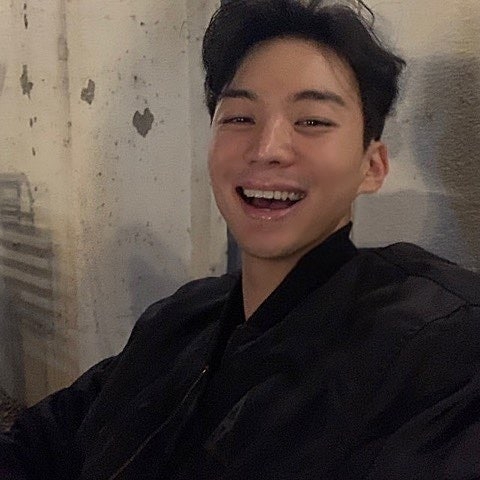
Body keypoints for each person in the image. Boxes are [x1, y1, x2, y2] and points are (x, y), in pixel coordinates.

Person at [1, 0, 480, 478]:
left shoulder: (437, 348)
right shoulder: (179, 319)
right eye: (239, 118)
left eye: (312, 121)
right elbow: (42, 440)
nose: (267, 149)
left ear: (372, 166)